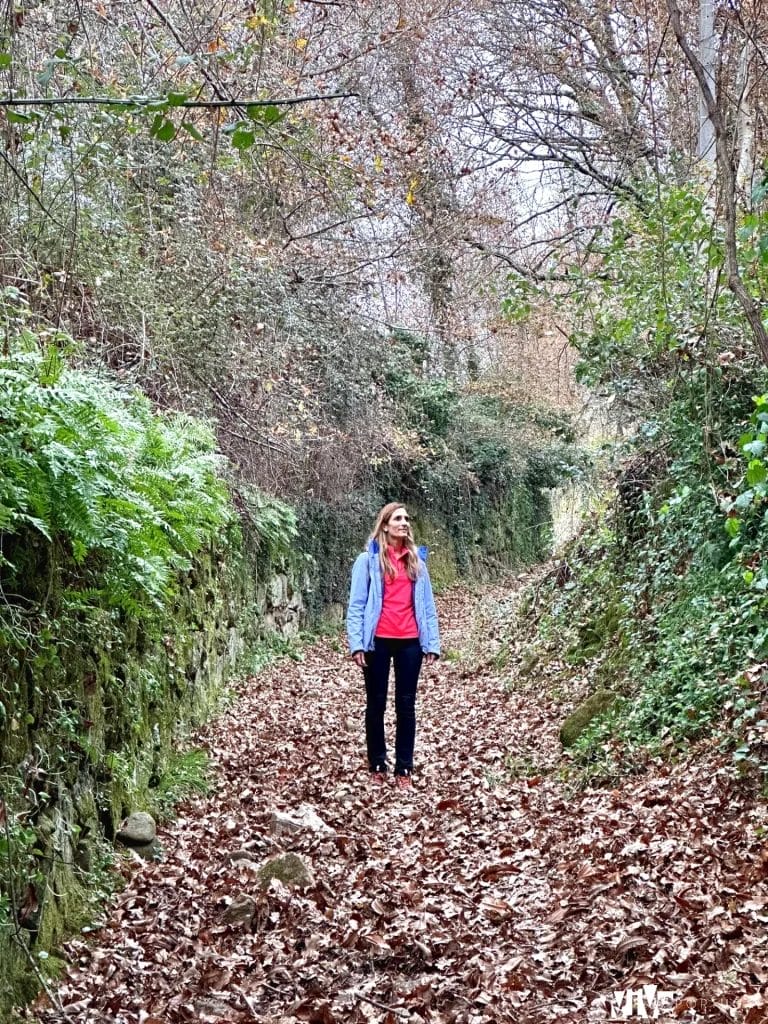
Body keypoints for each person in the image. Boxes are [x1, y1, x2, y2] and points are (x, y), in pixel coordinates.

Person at [346, 502, 440, 789]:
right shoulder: (368, 561)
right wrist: (357, 643)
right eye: (398, 518)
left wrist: (432, 643)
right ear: (385, 525)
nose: (404, 522)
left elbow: (427, 607)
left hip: (410, 642)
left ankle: (403, 769)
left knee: (406, 705)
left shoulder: (416, 562)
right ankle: (376, 763)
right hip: (378, 642)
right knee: (375, 704)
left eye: (406, 518)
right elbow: (357, 606)